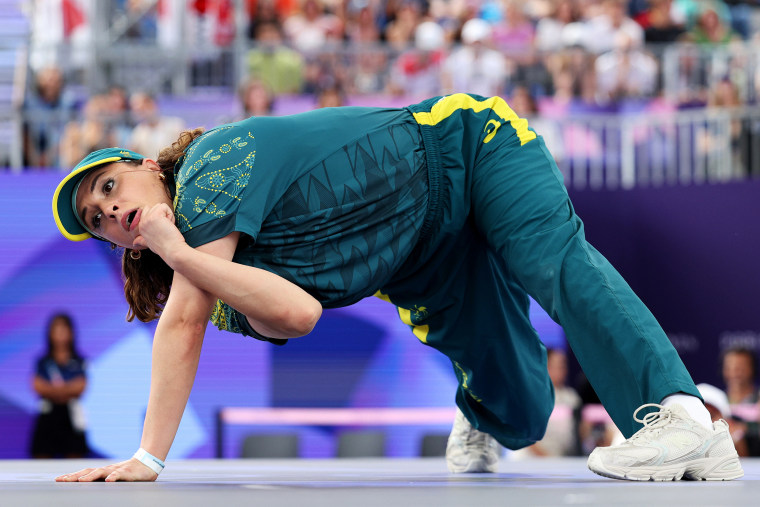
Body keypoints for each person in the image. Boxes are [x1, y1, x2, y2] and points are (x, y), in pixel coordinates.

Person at [52, 93, 742, 482]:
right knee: (524, 414)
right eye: (95, 219)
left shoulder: (210, 162)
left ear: (145, 166)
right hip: (421, 264)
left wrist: (147, 458)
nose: (109, 211)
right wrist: (183, 259)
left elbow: (182, 323)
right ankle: (479, 405)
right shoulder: (209, 277)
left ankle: (682, 416)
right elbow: (297, 313)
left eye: (110, 187)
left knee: (553, 260)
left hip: (466, 154)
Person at [30, 313, 89, 458]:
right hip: (48, 415)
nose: (60, 334)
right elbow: (38, 386)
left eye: (64, 330)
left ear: (71, 333)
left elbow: (81, 386)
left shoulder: (79, 360)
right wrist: (66, 390)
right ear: (50, 334)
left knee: (75, 463)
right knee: (41, 458)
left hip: (71, 416)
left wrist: (53, 390)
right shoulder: (43, 361)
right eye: (56, 330)